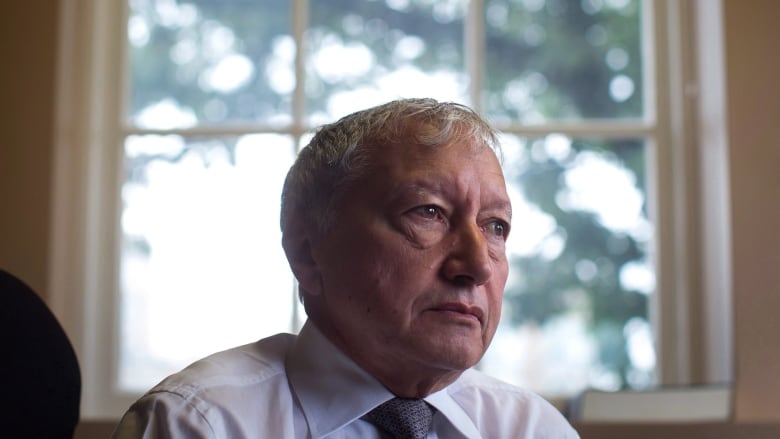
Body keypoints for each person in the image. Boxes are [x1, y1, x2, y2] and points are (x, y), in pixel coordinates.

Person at [112, 98, 579, 438]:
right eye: (429, 212)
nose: (476, 265)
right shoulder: (202, 425)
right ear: (307, 252)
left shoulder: (531, 429)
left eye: (496, 226)